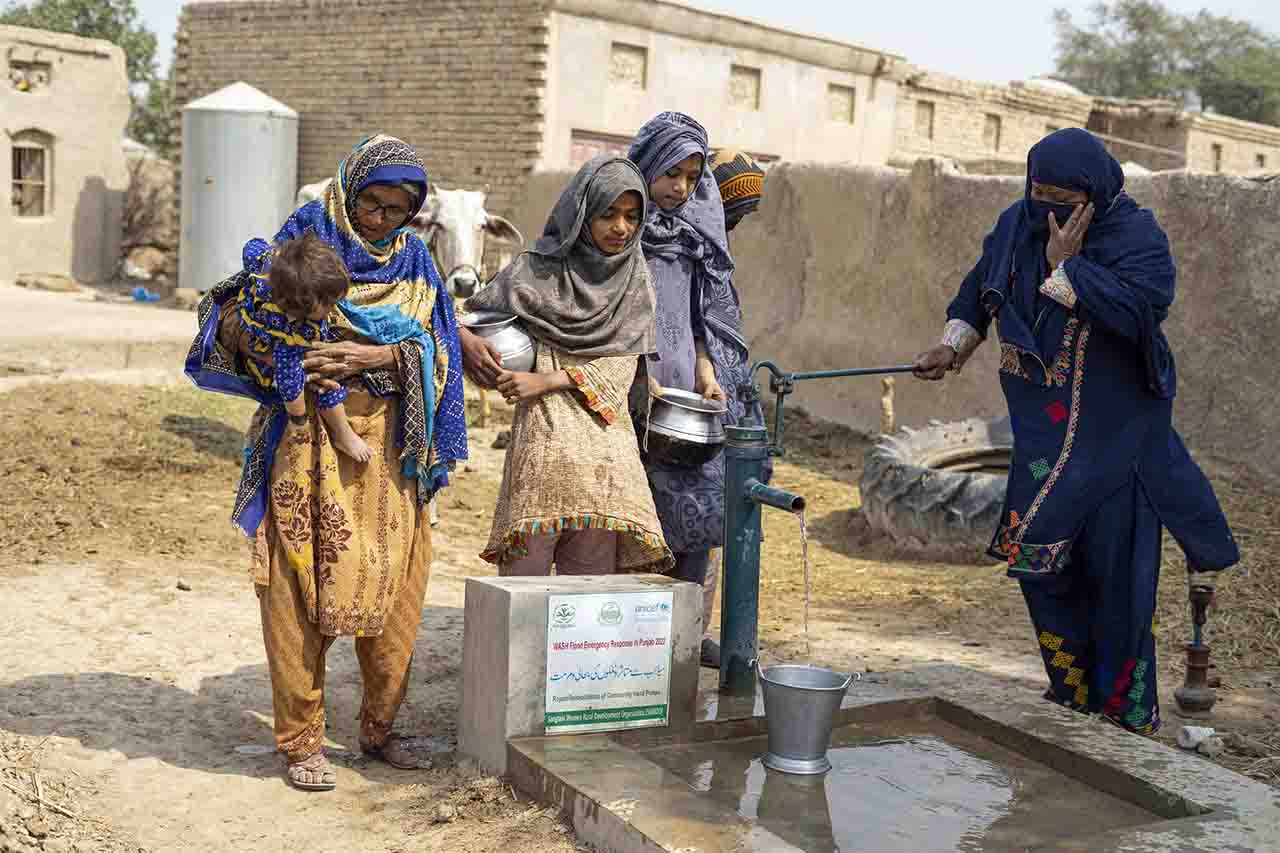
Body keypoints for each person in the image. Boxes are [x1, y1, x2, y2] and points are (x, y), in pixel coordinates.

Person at [913, 128, 1238, 735]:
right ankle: (1071, 694)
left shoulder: (1136, 238)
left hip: (1116, 447)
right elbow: (979, 290)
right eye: (1037, 191)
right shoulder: (1016, 224)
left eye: (1061, 197)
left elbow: (1139, 313)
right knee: (1040, 571)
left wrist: (1069, 269)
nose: (1047, 208)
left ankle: (1124, 718)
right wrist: (953, 344)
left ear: (1094, 192)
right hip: (1043, 445)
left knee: (1117, 589)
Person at [185, 134, 468, 790]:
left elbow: (442, 349)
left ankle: (378, 726)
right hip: (305, 443)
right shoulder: (307, 237)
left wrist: (379, 356)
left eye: (398, 209)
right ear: (347, 191)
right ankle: (301, 738)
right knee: (295, 592)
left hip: (392, 452)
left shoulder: (417, 263)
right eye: (371, 203)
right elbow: (236, 310)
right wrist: (285, 344)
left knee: (395, 589)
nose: (380, 219)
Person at [465, 156, 672, 575]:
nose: (621, 228)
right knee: (524, 585)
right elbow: (472, 320)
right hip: (542, 443)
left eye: (632, 216)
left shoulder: (634, 279)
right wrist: (467, 340)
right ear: (580, 212)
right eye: (608, 213)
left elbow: (620, 368)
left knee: (586, 600)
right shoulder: (534, 270)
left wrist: (543, 381)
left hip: (605, 454)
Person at [627, 112, 759, 669]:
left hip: (686, 388)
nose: (680, 187)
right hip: (632, 383)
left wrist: (706, 372)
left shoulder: (694, 237)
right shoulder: (619, 227)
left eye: (690, 175)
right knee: (639, 514)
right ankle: (632, 637)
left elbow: (698, 317)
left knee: (699, 508)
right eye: (669, 174)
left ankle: (686, 632)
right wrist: (637, 376)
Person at [236, 231, 371, 462]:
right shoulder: (294, 335)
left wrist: (278, 254)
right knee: (322, 380)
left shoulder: (268, 264)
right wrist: (299, 422)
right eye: (328, 303)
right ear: (300, 307)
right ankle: (343, 434)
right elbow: (290, 384)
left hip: (262, 321)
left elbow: (251, 247)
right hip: (270, 358)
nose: (333, 307)